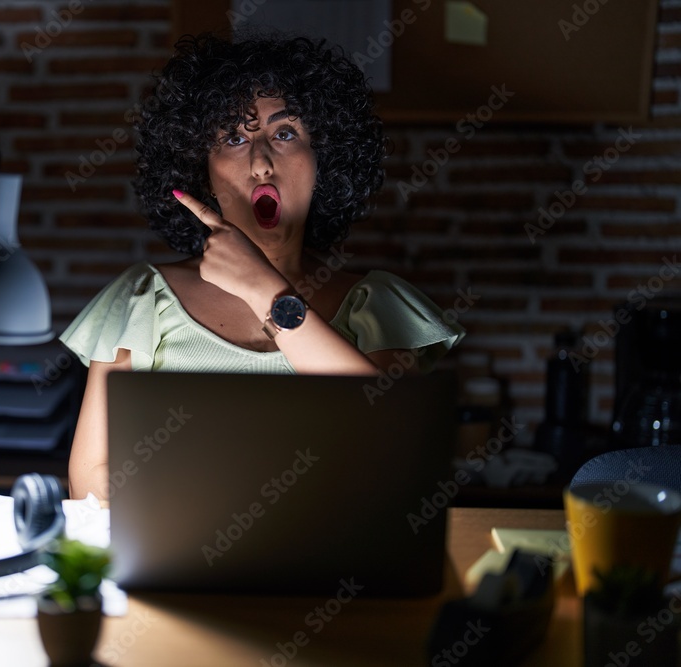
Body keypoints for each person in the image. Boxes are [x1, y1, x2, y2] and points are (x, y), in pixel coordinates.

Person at [58, 33, 465, 500]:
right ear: (201, 171)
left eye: (285, 133)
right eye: (233, 137)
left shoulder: (377, 303)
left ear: (323, 160)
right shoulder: (141, 297)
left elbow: (401, 449)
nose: (260, 163)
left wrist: (263, 290)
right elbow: (89, 482)